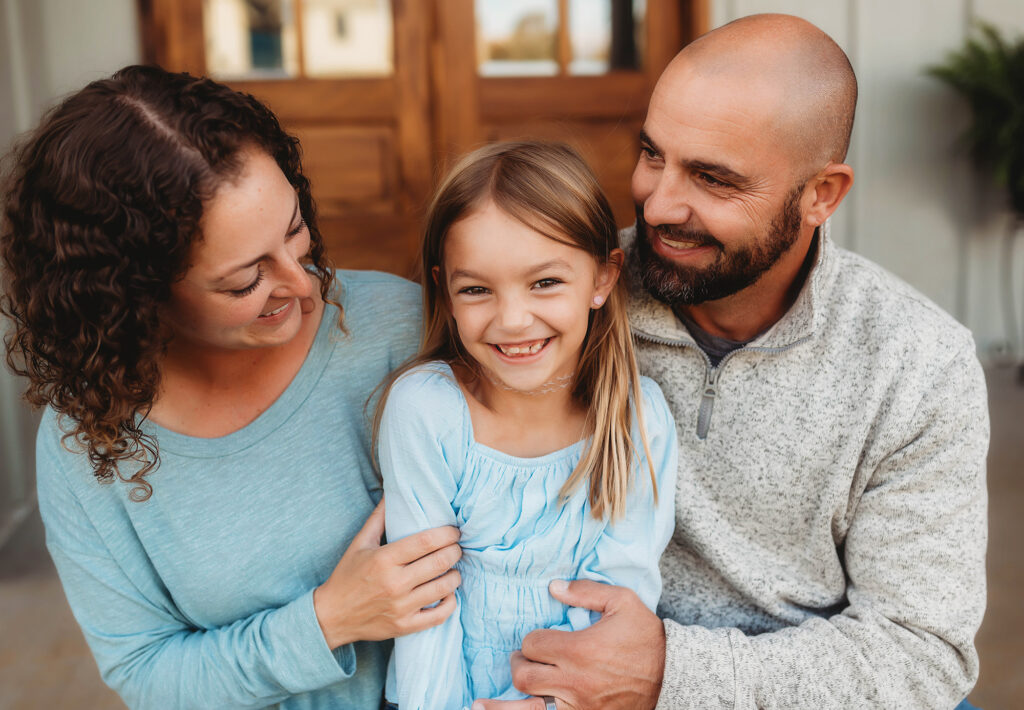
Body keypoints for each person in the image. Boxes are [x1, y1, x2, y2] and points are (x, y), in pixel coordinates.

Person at [474, 14, 989, 710]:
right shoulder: (560, 303)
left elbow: (921, 654)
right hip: (569, 671)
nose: (657, 203)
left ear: (822, 196)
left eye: (712, 179)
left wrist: (670, 676)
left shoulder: (918, 363)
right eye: (652, 154)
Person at [0, 65, 463, 709]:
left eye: (295, 229)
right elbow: (146, 674)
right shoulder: (90, 442)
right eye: (245, 281)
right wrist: (329, 621)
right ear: (136, 298)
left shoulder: (404, 328)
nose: (305, 287)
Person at [375, 142, 678, 709]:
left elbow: (616, 593)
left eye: (544, 283)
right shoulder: (426, 410)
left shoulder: (636, 418)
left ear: (603, 278)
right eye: (476, 289)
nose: (513, 320)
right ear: (445, 289)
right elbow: (424, 603)